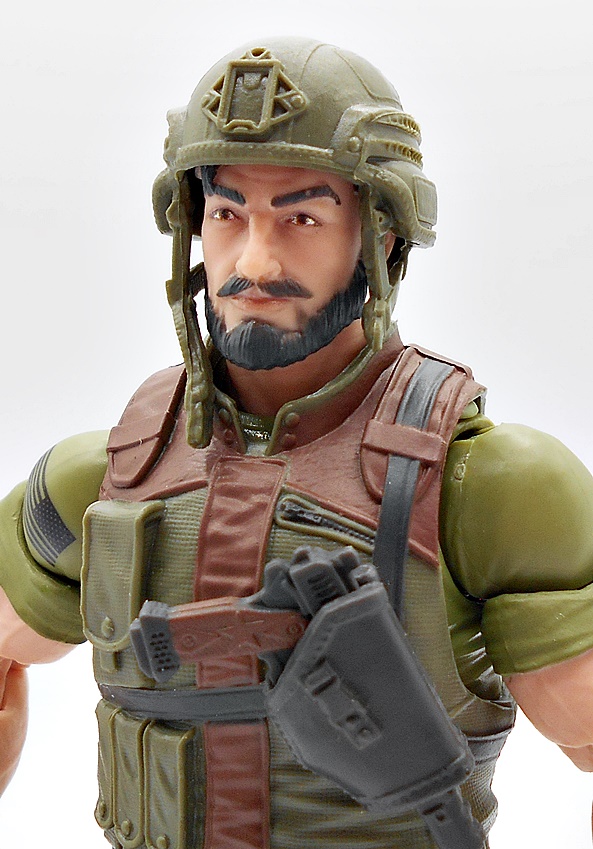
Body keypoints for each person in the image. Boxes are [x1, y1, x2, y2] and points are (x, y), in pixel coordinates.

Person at [1, 36, 592, 849]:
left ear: (383, 236)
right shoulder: (97, 478)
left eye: (301, 217)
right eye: (226, 214)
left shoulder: (490, 489)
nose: (253, 260)